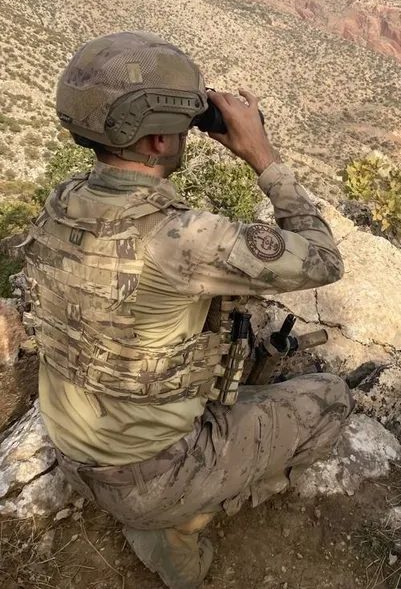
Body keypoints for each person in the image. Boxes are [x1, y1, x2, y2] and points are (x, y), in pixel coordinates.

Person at [23, 31, 353, 589]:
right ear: (158, 138)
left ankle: (165, 504)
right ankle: (179, 519)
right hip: (153, 480)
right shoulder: (184, 238)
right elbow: (323, 260)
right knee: (330, 398)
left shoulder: (63, 203)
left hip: (75, 458)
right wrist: (262, 156)